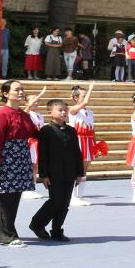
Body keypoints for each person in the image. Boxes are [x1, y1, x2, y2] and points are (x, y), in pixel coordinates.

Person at [0, 82, 43, 247]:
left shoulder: (23, 114)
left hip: (21, 158)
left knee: (14, 197)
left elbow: (34, 133)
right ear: (6, 94)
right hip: (7, 158)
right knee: (4, 197)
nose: (21, 92)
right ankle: (6, 235)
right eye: (17, 90)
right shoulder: (1, 114)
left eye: (22, 89)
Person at [29, 98, 84, 242]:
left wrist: (80, 173)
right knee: (55, 200)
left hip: (70, 172)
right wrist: (44, 175)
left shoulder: (71, 131)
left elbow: (77, 152)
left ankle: (57, 230)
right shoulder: (46, 131)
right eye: (60, 110)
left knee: (65, 203)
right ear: (50, 112)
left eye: (65, 110)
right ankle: (37, 223)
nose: (64, 112)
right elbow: (43, 154)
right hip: (53, 173)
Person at [67, 84, 102, 206]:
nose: (86, 98)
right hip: (77, 141)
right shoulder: (73, 110)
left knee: (84, 169)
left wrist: (95, 146)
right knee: (76, 169)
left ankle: (79, 195)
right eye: (84, 96)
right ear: (75, 98)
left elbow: (92, 130)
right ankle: (72, 196)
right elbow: (85, 103)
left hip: (88, 141)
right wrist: (91, 88)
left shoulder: (90, 112)